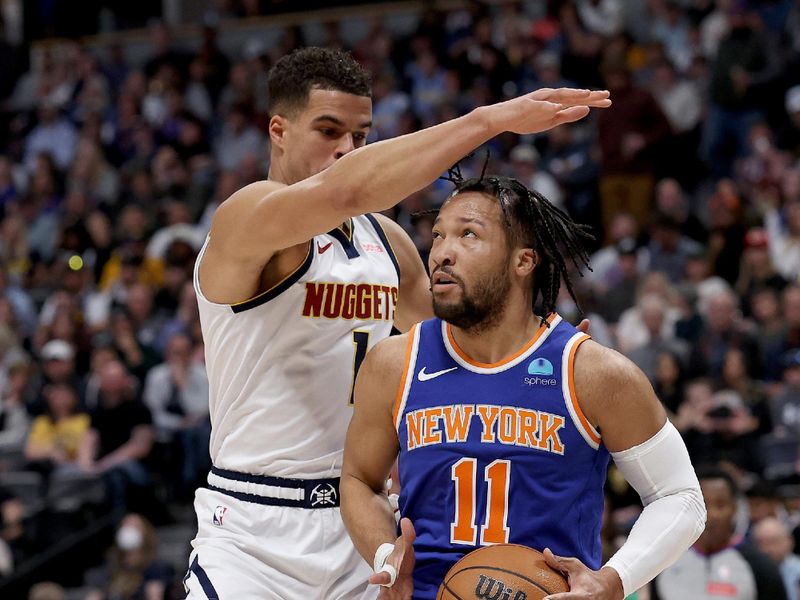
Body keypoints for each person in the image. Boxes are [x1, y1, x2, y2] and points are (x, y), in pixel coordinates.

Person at [185, 46, 609, 599]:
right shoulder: (247, 218)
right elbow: (347, 189)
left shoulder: (387, 245)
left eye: (361, 137)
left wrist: (548, 355)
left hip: (362, 522)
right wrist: (491, 120)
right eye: (329, 130)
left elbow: (466, 345)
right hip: (252, 529)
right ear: (278, 130)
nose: (347, 149)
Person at [341, 174, 706, 599]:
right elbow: (360, 480)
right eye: (438, 235)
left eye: (468, 235)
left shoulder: (591, 373)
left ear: (523, 262)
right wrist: (387, 554)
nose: (441, 253)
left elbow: (679, 496)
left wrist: (612, 581)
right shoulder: (394, 362)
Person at [653, 467, 787, 600]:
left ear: (735, 508)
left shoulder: (761, 567)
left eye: (721, 505)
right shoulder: (665, 563)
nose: (712, 515)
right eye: (703, 504)